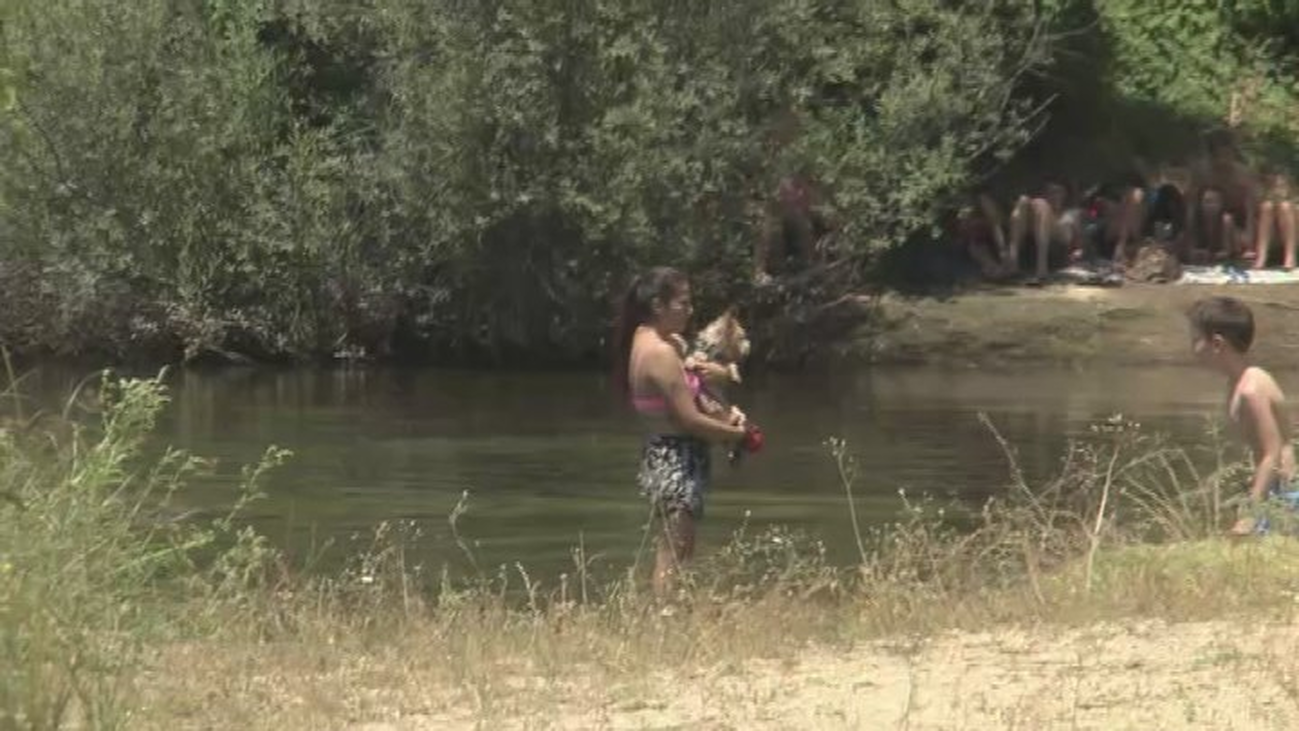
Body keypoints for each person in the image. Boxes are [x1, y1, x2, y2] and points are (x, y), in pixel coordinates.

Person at [612, 267, 748, 594]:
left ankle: (674, 615)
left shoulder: (651, 339)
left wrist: (723, 400)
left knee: (680, 547)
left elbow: (694, 385)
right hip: (675, 458)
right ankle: (665, 621)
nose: (690, 311)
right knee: (673, 553)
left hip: (665, 453)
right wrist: (736, 435)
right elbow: (689, 420)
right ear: (658, 305)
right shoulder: (659, 353)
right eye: (683, 304)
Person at [1187, 296, 1299, 535]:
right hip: (1273, 488)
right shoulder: (1237, 383)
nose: (1192, 348)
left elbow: (1273, 452)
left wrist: (1250, 514)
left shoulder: (1252, 388)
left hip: (1287, 493)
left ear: (1217, 343)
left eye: (1196, 340)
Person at [1186, 130, 1258, 264]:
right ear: (1212, 156)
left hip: (1237, 222)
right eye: (1220, 155)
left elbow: (1251, 209)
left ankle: (1234, 249)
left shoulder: (1243, 174)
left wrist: (1249, 239)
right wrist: (1191, 239)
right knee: (1211, 199)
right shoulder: (1202, 172)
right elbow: (1191, 206)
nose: (1224, 160)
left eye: (1228, 154)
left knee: (1228, 220)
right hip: (1208, 221)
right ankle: (1207, 247)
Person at [1008, 180, 1084, 284]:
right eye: (1050, 192)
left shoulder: (1072, 213)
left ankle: (1042, 270)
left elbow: (1079, 242)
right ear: (1045, 194)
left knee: (1041, 204)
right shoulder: (1039, 213)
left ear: (1065, 194)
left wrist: (1078, 251)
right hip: (1036, 246)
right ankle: (1012, 263)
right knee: (1023, 200)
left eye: (1058, 192)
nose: (1055, 195)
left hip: (1059, 246)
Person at [1252, 171, 1297, 270]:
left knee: (1286, 207)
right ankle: (1262, 255)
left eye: (1281, 186)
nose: (1278, 190)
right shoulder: (1267, 204)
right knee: (1266, 207)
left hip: (1294, 242)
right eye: (1275, 186)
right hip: (1274, 242)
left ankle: (1290, 256)